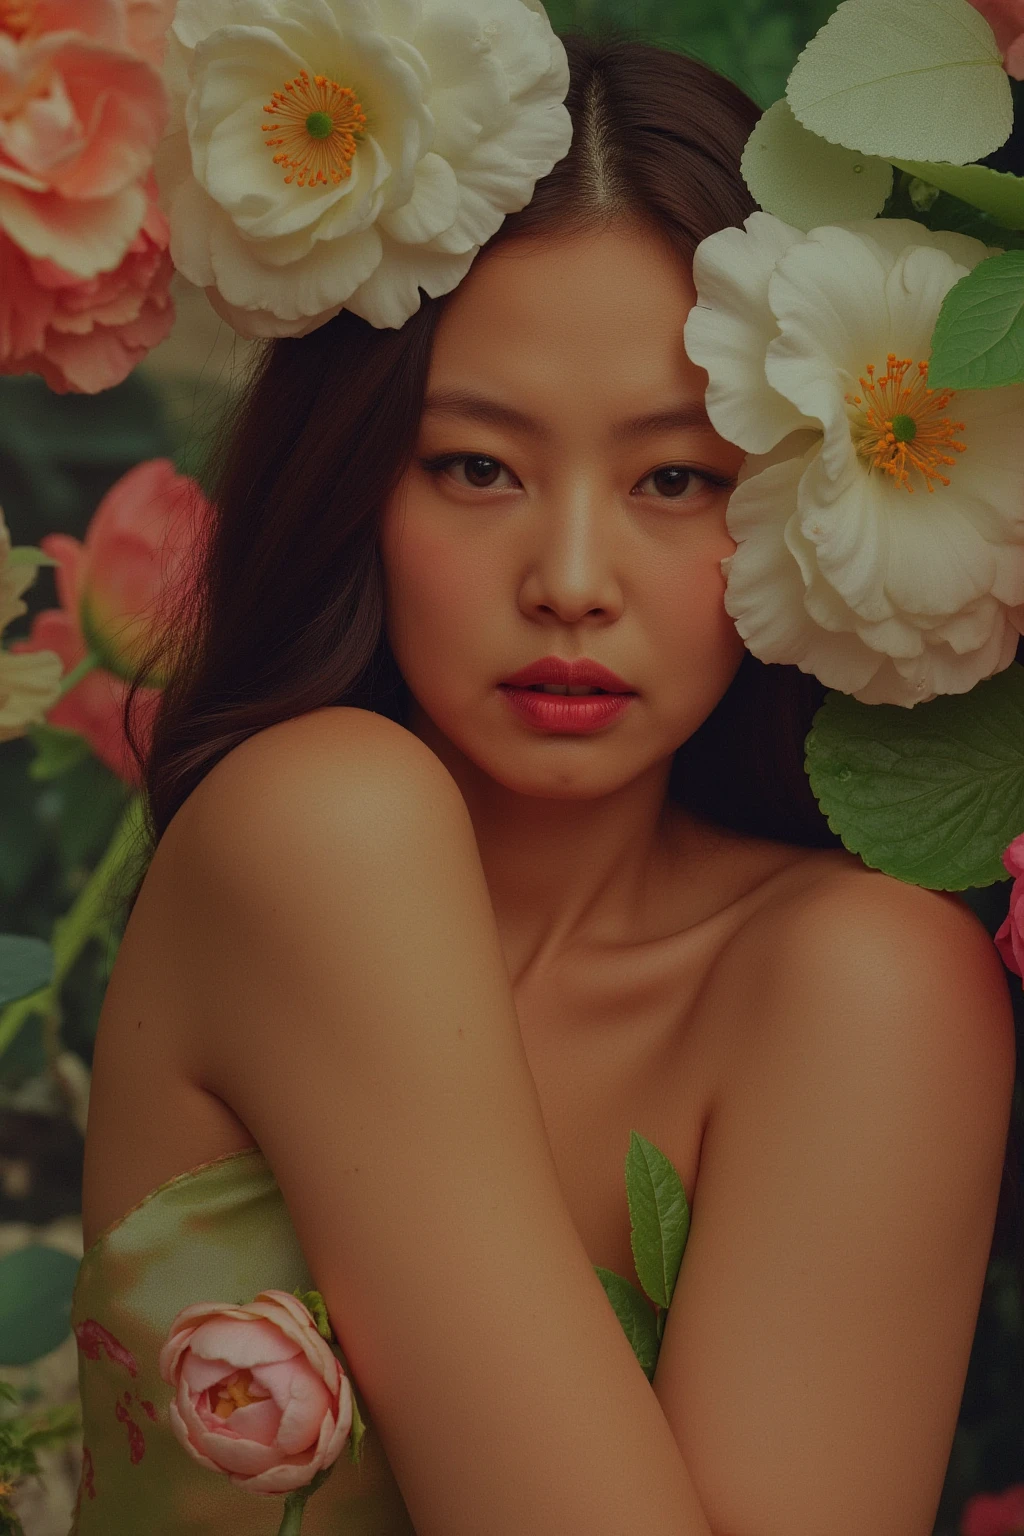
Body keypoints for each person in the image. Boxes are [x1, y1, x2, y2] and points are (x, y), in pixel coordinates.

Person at [72, 22, 1017, 1536]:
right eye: (476, 466)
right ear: (353, 483)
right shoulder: (317, 830)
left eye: (674, 479)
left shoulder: (872, 986)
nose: (572, 581)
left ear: (801, 498)